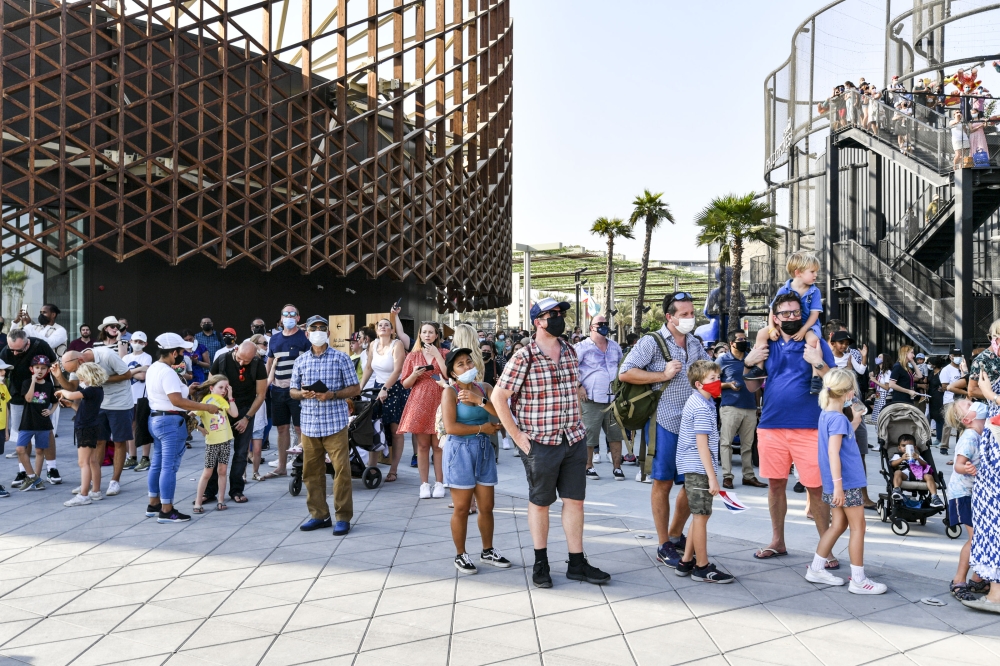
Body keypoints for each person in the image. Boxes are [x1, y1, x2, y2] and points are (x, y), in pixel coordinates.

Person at [492, 297, 610, 589]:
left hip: (573, 438)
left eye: (561, 313)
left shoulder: (569, 351)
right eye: (552, 314)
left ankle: (576, 563)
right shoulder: (524, 357)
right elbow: (498, 397)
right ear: (538, 322)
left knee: (575, 501)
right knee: (541, 502)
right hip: (540, 442)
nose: (559, 318)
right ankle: (540, 562)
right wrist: (517, 436)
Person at [742, 292, 838, 563]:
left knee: (815, 488)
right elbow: (751, 386)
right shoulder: (766, 343)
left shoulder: (814, 342)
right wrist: (748, 362)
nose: (792, 317)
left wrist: (817, 362)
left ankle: (826, 549)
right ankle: (777, 541)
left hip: (809, 427)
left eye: (796, 312)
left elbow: (836, 380)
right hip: (771, 425)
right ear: (775, 317)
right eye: (786, 313)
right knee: (775, 485)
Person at [618, 292, 709, 568]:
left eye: (692, 313)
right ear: (669, 317)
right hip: (664, 422)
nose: (690, 318)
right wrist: (663, 375)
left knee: (693, 481)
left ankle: (675, 534)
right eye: (684, 314)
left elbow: (708, 370)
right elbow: (625, 372)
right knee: (663, 482)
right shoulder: (652, 342)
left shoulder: (694, 342)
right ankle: (663, 544)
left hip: (691, 423)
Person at [804, 368, 887, 594]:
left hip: (836, 483)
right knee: (858, 527)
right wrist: (839, 486)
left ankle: (816, 568)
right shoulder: (839, 418)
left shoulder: (827, 414)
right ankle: (858, 580)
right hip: (845, 483)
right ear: (849, 393)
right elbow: (834, 452)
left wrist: (855, 421)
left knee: (838, 525)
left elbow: (838, 442)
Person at [441, 348, 510, 574]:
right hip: (459, 452)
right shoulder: (450, 392)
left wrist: (479, 401)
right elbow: (451, 427)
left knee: (487, 507)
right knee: (462, 508)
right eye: (460, 364)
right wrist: (482, 428)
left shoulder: (485, 388)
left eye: (469, 361)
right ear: (452, 372)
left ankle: (487, 550)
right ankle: (460, 554)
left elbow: (499, 413)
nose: (467, 367)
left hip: (483, 450)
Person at [291, 316, 361, 536]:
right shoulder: (301, 361)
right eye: (314, 328)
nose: (318, 331)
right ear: (307, 334)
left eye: (322, 328)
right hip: (309, 424)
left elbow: (355, 388)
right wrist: (301, 393)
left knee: (341, 472)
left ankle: (343, 517)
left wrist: (332, 394)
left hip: (335, 424)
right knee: (311, 473)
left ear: (329, 333)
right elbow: (292, 391)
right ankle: (319, 515)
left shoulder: (341, 358)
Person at [146, 333, 220, 523]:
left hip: (157, 418)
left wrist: (187, 390)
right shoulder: (168, 372)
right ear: (173, 353)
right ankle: (167, 510)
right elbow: (177, 401)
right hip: (170, 422)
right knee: (168, 467)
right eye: (181, 351)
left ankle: (154, 504)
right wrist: (206, 407)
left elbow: (167, 394)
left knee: (157, 464)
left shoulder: (154, 368)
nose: (183, 355)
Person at [673, 360, 733, 583]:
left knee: (699, 515)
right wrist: (712, 477)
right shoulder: (701, 407)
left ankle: (686, 560)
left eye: (718, 378)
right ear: (699, 384)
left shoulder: (702, 401)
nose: (718, 382)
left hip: (694, 466)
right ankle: (702, 566)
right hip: (698, 468)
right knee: (701, 516)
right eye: (712, 379)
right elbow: (702, 446)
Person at [55, 331, 134, 498]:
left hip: (119, 402)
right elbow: (72, 387)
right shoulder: (76, 364)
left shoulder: (106, 355)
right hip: (99, 404)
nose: (78, 374)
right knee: (99, 441)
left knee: (119, 441)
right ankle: (90, 481)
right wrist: (59, 377)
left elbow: (127, 374)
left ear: (81, 361)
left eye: (76, 370)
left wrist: (99, 379)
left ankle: (115, 481)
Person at [751, 252, 825, 393]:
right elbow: (773, 310)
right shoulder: (784, 289)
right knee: (761, 333)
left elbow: (814, 314)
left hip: (807, 324)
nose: (816, 275)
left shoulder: (814, 291)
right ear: (798, 273)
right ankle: (759, 367)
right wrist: (772, 328)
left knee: (813, 340)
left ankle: (816, 377)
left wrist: (803, 330)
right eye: (812, 272)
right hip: (786, 323)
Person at [204, 341, 267, 504]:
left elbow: (261, 395)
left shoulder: (257, 364)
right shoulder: (222, 360)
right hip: (221, 410)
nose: (242, 363)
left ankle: (236, 489)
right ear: (236, 349)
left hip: (245, 410)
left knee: (240, 452)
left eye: (246, 361)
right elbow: (210, 386)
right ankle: (210, 490)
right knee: (216, 450)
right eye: (239, 358)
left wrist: (247, 418)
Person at [943, 398, 987, 601]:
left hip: (973, 492)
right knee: (975, 538)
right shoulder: (970, 436)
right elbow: (958, 465)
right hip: (963, 494)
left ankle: (978, 579)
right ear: (967, 419)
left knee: (982, 536)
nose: (973, 404)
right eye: (968, 406)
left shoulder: (981, 433)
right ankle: (958, 581)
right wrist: (966, 467)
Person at [399, 322, 449, 498]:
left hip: (440, 399)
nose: (427, 335)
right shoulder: (413, 356)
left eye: (431, 332)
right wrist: (414, 374)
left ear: (437, 335)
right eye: (424, 332)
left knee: (438, 446)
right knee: (422, 445)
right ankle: (424, 484)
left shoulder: (444, 352)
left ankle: (439, 483)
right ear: (420, 335)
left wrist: (437, 355)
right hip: (419, 401)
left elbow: (448, 375)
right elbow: (405, 384)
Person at [2, 330, 57, 485]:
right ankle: (23, 471)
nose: (14, 353)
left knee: (46, 430)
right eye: (11, 349)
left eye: (18, 350)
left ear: (27, 344)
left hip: (42, 393)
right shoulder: (6, 351)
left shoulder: (41, 345)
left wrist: (58, 387)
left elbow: (55, 365)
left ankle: (52, 468)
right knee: (23, 432)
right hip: (18, 394)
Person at [575, 314, 625, 480]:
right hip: (591, 399)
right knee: (590, 434)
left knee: (616, 435)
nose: (604, 326)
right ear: (591, 327)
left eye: (605, 323)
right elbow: (570, 369)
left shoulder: (615, 346)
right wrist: (579, 386)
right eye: (600, 323)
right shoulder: (581, 347)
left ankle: (617, 468)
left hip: (613, 399)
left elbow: (621, 367)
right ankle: (588, 466)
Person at [716, 330, 767, 490]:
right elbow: (711, 383)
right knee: (726, 443)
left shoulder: (751, 358)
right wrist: (728, 385)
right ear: (731, 343)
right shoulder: (722, 360)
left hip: (750, 407)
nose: (744, 341)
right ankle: (727, 476)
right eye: (740, 339)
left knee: (748, 445)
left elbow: (756, 383)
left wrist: (757, 406)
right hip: (730, 407)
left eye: (745, 338)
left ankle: (748, 476)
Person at [360, 318, 408, 483]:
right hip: (377, 388)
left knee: (395, 430)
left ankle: (393, 470)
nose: (383, 327)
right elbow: (368, 368)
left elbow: (398, 370)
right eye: (380, 325)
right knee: (374, 426)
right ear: (377, 329)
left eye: (386, 325)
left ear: (392, 330)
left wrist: (385, 388)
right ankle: (372, 466)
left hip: (394, 388)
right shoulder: (373, 344)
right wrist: (359, 388)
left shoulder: (397, 345)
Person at [264, 305, 309, 479]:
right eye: (285, 314)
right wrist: (266, 383)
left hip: (297, 390)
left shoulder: (304, 337)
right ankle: (282, 466)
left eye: (292, 314)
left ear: (298, 317)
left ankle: (302, 467)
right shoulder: (274, 339)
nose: (289, 316)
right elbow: (269, 362)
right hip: (277, 389)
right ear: (281, 318)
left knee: (300, 428)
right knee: (281, 428)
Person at [55, 362, 107, 506]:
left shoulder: (91, 390)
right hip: (91, 426)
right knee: (92, 461)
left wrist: (61, 391)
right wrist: (71, 405)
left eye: (82, 377)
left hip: (86, 429)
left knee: (83, 462)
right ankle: (95, 491)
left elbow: (71, 394)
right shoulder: (97, 390)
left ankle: (83, 495)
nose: (81, 380)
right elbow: (85, 411)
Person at [190, 375, 240, 513]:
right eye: (221, 387)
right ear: (211, 388)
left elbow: (234, 414)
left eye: (226, 388)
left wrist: (230, 397)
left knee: (222, 471)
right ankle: (198, 503)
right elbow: (190, 416)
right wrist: (199, 428)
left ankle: (221, 501)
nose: (224, 390)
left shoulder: (223, 401)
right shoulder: (206, 402)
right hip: (212, 443)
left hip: (225, 441)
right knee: (207, 472)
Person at [15, 356, 57, 492]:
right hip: (27, 422)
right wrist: (33, 381)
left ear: (48, 370)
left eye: (43, 368)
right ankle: (32, 476)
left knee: (40, 450)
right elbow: (28, 398)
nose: (40, 370)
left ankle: (37, 478)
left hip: (43, 423)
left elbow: (55, 401)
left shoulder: (49, 385)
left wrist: (51, 411)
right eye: (37, 367)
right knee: (20, 449)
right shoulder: (27, 382)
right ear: (31, 369)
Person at [122, 332, 152, 471]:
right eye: (135, 341)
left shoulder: (147, 357)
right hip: (128, 397)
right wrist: (138, 370)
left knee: (142, 426)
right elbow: (123, 374)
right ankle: (132, 457)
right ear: (130, 342)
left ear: (145, 343)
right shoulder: (126, 357)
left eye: (140, 341)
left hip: (142, 397)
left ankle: (145, 458)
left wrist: (130, 372)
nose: (137, 344)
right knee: (131, 428)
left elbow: (143, 377)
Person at [888, 433, 943, 506]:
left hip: (918, 474)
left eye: (909, 446)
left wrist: (918, 459)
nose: (906, 448)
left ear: (914, 448)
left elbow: (925, 465)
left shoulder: (917, 456)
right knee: (897, 472)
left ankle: (934, 497)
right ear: (899, 448)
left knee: (929, 476)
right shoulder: (898, 455)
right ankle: (897, 490)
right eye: (903, 446)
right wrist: (902, 459)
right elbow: (892, 464)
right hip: (905, 475)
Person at [938, 348, 965, 453]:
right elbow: (944, 386)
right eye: (955, 355)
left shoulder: (963, 368)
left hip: (961, 399)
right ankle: (944, 446)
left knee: (962, 423)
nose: (958, 357)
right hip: (950, 399)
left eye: (959, 355)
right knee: (948, 423)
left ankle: (960, 444)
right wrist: (957, 388)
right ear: (950, 357)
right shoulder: (946, 370)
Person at [870, 354, 893, 423]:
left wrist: (875, 381)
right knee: (877, 411)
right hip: (878, 393)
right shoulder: (880, 372)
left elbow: (887, 387)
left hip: (884, 395)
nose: (877, 358)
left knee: (881, 413)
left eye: (880, 357)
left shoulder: (887, 372)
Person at [0, 359, 10, 497]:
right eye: (0, 370)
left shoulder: (3, 387)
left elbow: (6, 409)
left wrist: (7, 430)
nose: (4, 372)